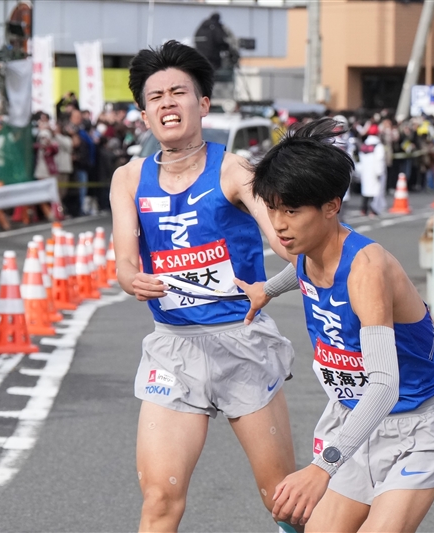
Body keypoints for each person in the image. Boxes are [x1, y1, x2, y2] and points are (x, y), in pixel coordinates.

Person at [237, 118, 434, 533]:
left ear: (332, 207)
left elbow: (384, 385)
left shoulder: (366, 271)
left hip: (413, 430)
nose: (279, 224)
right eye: (272, 208)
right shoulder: (304, 247)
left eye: (291, 210)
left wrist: (322, 467)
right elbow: (299, 271)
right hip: (353, 423)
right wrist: (267, 290)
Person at [109, 41, 298, 533]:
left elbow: (283, 240)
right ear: (144, 113)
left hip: (242, 342)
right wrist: (133, 280)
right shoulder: (129, 178)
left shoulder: (234, 170)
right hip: (173, 348)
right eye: (156, 97)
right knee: (159, 498)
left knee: (284, 500)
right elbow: (125, 263)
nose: (168, 103)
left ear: (204, 104)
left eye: (179, 92)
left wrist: (280, 276)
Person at [357, 124, 385, 218]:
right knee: (376, 191)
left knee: (365, 191)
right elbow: (379, 159)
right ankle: (373, 210)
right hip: (374, 172)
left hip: (365, 171)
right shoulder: (378, 145)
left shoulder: (364, 145)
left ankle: (363, 209)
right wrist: (379, 172)